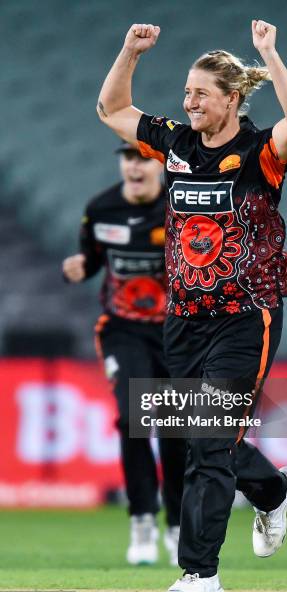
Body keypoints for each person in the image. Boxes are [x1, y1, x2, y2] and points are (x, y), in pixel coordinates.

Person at [97, 19, 287, 592]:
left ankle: (200, 573)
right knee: (202, 436)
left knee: (209, 444)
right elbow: (111, 109)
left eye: (200, 94)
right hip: (185, 319)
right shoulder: (176, 144)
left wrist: (270, 51)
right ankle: (271, 490)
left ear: (233, 100)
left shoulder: (260, 153)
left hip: (246, 317)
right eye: (187, 92)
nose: (187, 102)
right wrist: (129, 51)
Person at [62, 143, 186, 566]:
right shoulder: (101, 209)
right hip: (123, 330)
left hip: (176, 332)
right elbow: (92, 260)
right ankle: (142, 520)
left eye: (142, 159)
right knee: (134, 418)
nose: (134, 166)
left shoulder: (179, 208)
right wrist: (78, 267)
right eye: (127, 159)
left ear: (158, 167)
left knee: (175, 429)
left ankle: (176, 525)